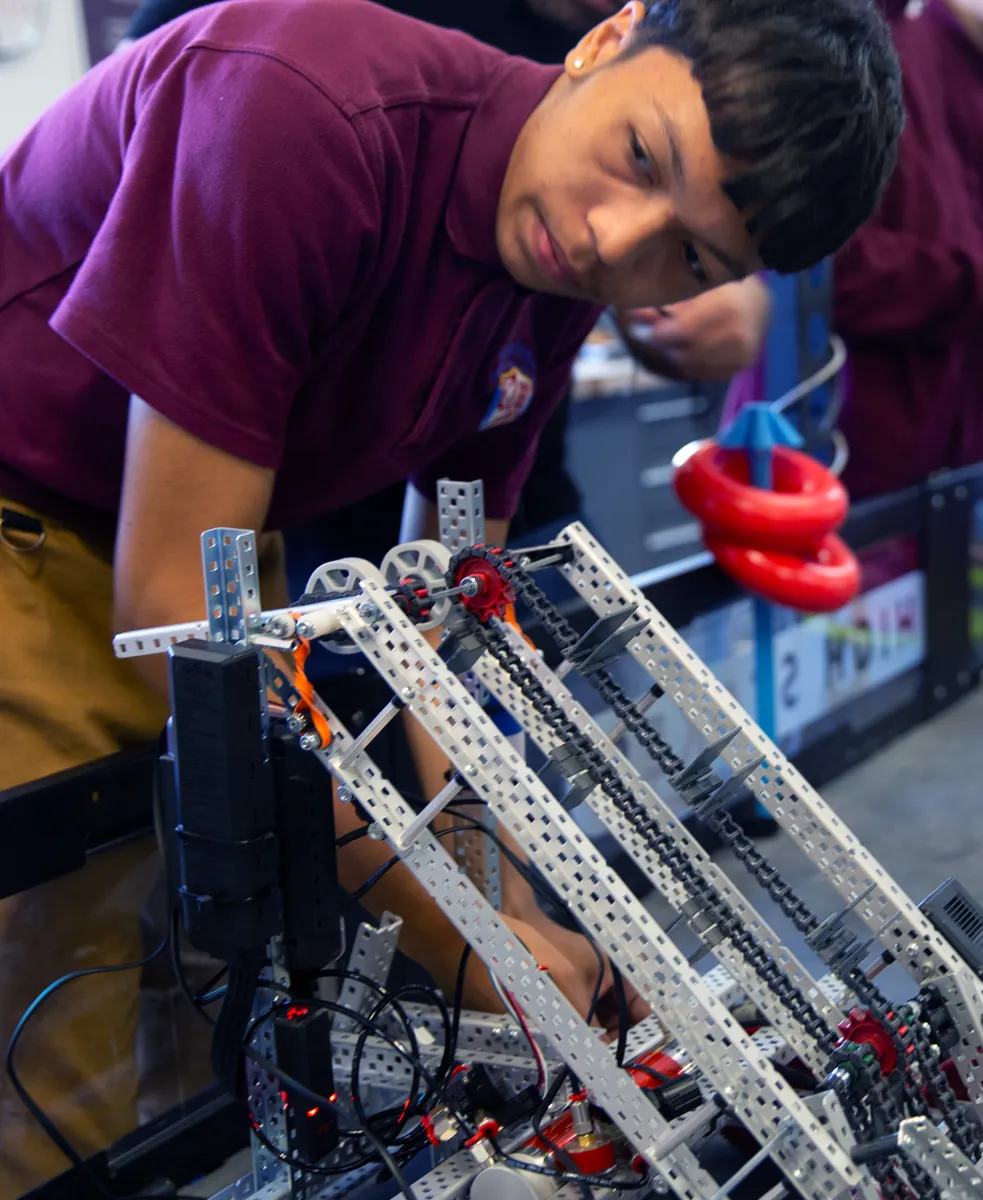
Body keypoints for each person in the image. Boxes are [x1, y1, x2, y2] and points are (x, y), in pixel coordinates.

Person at [0, 0, 902, 1191]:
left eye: (687, 257)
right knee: (65, 1027)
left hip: (206, 519)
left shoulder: (553, 261)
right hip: (43, 517)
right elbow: (171, 604)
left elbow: (447, 626)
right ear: (606, 39)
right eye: (641, 158)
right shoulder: (304, 113)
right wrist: (471, 947)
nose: (611, 242)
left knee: (208, 1000)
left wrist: (521, 911)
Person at [640, 0, 983, 502]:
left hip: (934, 466)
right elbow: (814, 252)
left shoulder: (960, 71)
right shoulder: (862, 49)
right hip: (836, 455)